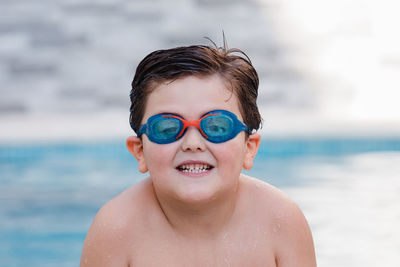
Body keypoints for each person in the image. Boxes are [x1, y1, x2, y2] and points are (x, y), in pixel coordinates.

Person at [80, 42, 316, 266]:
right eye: (168, 128)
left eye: (216, 127)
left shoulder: (280, 221)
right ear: (139, 151)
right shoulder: (117, 229)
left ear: (249, 148)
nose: (192, 143)